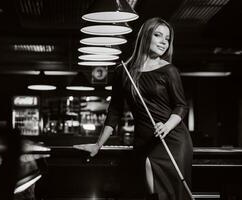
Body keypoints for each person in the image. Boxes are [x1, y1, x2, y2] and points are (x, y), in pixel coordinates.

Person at [74, 17, 193, 200]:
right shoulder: (123, 72)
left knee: (160, 180)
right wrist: (98, 144)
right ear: (145, 36)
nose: (164, 42)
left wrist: (167, 126)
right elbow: (114, 111)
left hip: (172, 137)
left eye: (167, 38)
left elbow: (181, 106)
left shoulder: (169, 70)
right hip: (143, 139)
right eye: (158, 35)